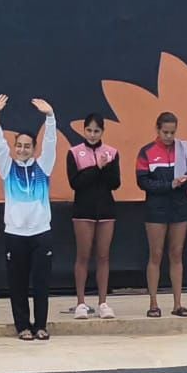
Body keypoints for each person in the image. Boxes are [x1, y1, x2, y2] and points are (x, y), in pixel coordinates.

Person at [0, 95, 58, 340]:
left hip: (41, 233)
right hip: (15, 235)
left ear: (34, 148)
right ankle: (22, 327)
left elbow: (51, 142)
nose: (22, 150)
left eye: (27, 146)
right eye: (18, 145)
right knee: (17, 284)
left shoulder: (44, 167)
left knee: (41, 284)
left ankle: (40, 325)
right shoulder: (7, 168)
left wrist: (50, 117)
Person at [136, 111, 187, 318]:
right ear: (157, 129)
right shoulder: (147, 151)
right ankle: (153, 303)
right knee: (156, 254)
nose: (169, 137)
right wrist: (169, 184)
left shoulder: (184, 149)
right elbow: (143, 182)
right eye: (165, 132)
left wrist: (183, 182)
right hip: (156, 207)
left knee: (177, 253)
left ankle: (177, 303)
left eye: (172, 132)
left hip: (179, 206)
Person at [67, 113, 121, 320]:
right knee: (83, 255)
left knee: (103, 256)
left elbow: (115, 183)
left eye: (96, 131)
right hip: (83, 210)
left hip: (106, 210)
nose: (92, 134)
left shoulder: (112, 153)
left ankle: (103, 303)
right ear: (83, 130)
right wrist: (96, 168)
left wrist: (105, 167)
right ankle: (81, 303)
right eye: (88, 130)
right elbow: (76, 182)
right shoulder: (74, 153)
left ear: (102, 132)